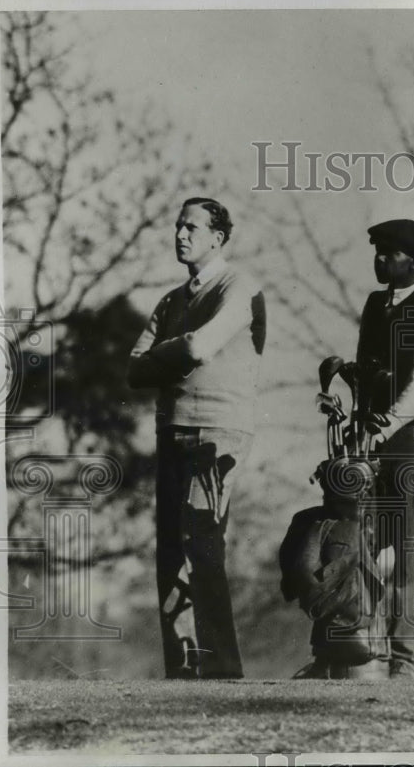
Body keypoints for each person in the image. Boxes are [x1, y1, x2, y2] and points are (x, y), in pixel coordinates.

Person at [128, 197, 265, 679]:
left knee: (202, 541)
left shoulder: (238, 286)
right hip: (173, 429)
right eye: (178, 226)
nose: (180, 235)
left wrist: (171, 351)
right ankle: (184, 669)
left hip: (218, 431)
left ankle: (223, 670)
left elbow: (201, 346)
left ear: (218, 238)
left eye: (192, 227)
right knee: (170, 546)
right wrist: (178, 349)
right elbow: (134, 368)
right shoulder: (171, 301)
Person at [352, 219, 414, 679]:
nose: (380, 261)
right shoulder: (374, 305)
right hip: (372, 443)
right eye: (377, 252)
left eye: (389, 254)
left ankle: (405, 660)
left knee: (410, 549)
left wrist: (385, 423)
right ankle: (355, 651)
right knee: (357, 542)